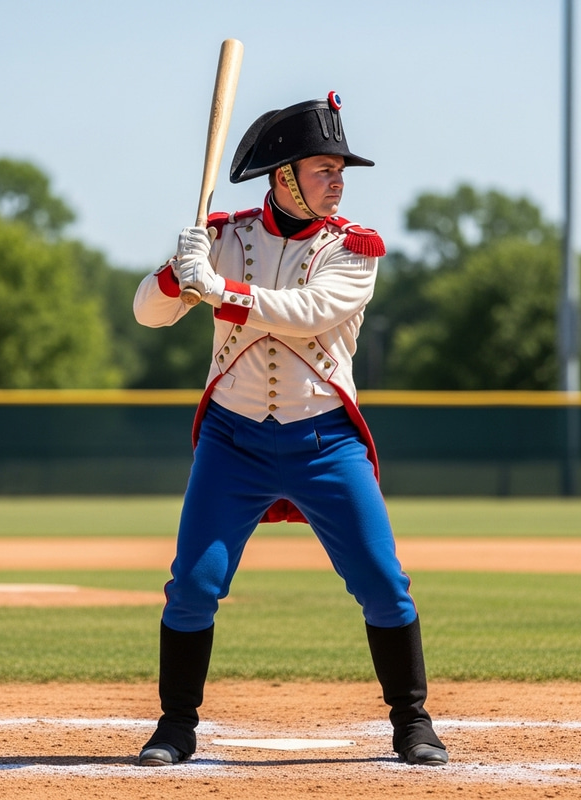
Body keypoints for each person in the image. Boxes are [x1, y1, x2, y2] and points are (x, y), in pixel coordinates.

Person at [132, 91, 448, 768]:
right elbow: (147, 315)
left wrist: (215, 291)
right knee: (193, 583)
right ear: (283, 178)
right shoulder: (225, 237)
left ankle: (412, 721)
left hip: (324, 441)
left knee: (382, 581)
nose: (338, 180)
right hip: (233, 442)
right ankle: (176, 725)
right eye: (324, 168)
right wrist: (174, 273)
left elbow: (305, 312)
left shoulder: (353, 250)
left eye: (341, 170)